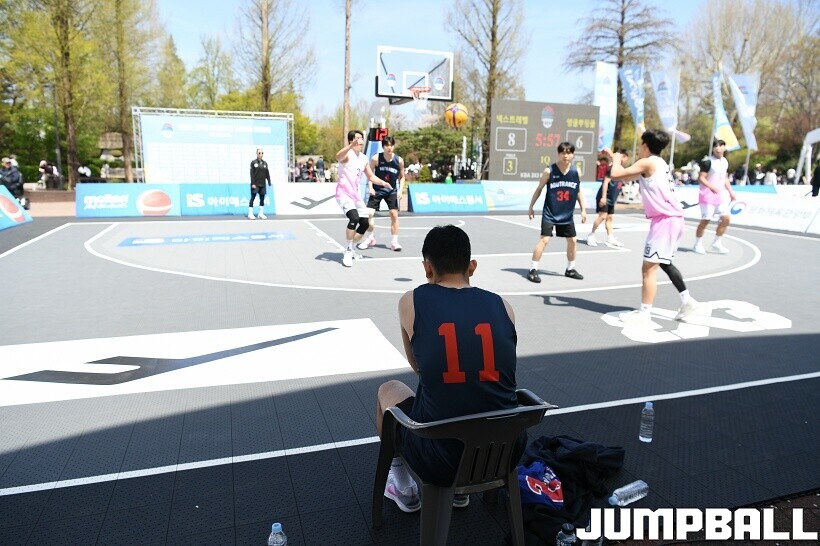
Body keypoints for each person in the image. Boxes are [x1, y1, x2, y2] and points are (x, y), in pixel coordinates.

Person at [375, 225, 523, 512]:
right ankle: (462, 491)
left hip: (440, 459)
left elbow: (420, 368)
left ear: (427, 268)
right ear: (472, 267)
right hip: (504, 451)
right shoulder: (503, 305)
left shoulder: (411, 301)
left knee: (389, 389)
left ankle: (403, 486)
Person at [602, 129, 699, 324]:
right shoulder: (659, 163)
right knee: (664, 262)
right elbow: (626, 177)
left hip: (664, 221)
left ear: (645, 145)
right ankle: (687, 300)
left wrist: (616, 159)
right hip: (674, 219)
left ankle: (644, 313)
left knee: (648, 268)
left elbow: (616, 175)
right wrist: (615, 160)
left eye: (640, 145)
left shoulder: (647, 162)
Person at [525, 141, 587, 283]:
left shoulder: (576, 172)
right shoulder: (549, 171)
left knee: (573, 240)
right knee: (544, 239)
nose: (566, 155)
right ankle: (533, 269)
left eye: (569, 153)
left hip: (567, 214)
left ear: (573, 155)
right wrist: (531, 206)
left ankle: (570, 269)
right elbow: (539, 189)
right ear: (558, 154)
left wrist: (583, 210)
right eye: (563, 153)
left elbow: (578, 191)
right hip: (550, 212)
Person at [335, 129, 392, 267]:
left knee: (365, 223)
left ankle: (350, 247)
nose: (360, 141)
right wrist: (350, 146)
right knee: (354, 218)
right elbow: (338, 156)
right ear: (351, 141)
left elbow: (370, 176)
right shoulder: (347, 155)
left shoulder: (364, 158)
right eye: (357, 138)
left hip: (356, 196)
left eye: (361, 138)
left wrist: (383, 183)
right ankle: (348, 251)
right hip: (343, 194)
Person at [358, 135, 405, 252]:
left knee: (394, 215)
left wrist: (400, 190)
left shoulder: (399, 160)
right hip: (377, 189)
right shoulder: (376, 158)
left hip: (391, 191)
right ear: (383, 146)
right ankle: (370, 237)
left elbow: (402, 177)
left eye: (391, 145)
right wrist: (370, 187)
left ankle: (394, 242)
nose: (389, 148)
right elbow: (369, 174)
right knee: (369, 214)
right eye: (387, 145)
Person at [692, 140, 736, 255]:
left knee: (726, 219)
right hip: (707, 197)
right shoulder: (708, 162)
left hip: (719, 197)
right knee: (706, 220)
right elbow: (701, 178)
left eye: (720, 146)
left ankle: (717, 242)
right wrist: (711, 187)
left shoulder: (724, 162)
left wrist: (731, 192)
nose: (718, 148)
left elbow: (725, 178)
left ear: (724, 148)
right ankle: (697, 244)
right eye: (715, 146)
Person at [586, 150, 628, 248]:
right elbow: (605, 182)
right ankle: (591, 235)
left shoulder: (621, 169)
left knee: (609, 218)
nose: (624, 159)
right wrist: (603, 197)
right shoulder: (612, 168)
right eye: (623, 157)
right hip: (605, 197)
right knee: (602, 216)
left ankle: (610, 238)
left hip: (612, 198)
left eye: (625, 157)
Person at [248, 148, 271, 219]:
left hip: (262, 184)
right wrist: (253, 183)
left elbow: (267, 173)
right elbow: (251, 174)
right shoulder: (253, 162)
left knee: (262, 198)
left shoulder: (265, 163)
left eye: (262, 153)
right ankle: (250, 213)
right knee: (253, 197)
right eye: (259, 153)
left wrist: (269, 182)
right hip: (255, 184)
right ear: (257, 154)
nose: (261, 154)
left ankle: (260, 213)